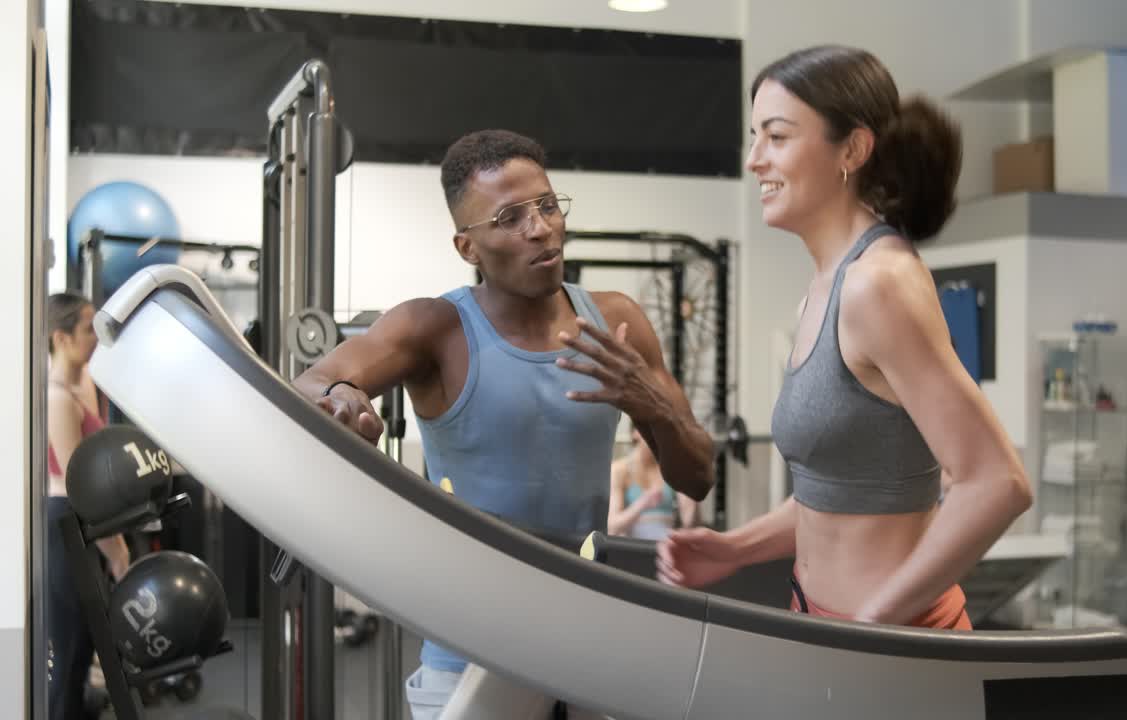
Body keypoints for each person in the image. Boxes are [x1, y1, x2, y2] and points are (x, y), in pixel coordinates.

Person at [293, 129, 715, 719]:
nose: (540, 228)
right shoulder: (434, 328)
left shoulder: (615, 321)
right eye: (510, 217)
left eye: (546, 205)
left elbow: (698, 475)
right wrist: (340, 397)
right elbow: (314, 382)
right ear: (467, 247)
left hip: (589, 653)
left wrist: (653, 406)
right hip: (469, 659)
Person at [657, 45, 1031, 631]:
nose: (755, 159)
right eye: (754, 136)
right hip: (824, 625)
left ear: (852, 151)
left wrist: (873, 626)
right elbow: (841, 495)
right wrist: (736, 548)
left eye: (777, 136)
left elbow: (996, 482)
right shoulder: (824, 288)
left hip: (894, 644)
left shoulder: (878, 284)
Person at [46, 292, 130, 719]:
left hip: (81, 527)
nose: (93, 338)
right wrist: (115, 550)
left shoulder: (82, 384)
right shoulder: (57, 398)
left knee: (80, 651)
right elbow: (80, 486)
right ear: (60, 338)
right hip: (66, 525)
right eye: (85, 330)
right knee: (70, 652)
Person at [608, 426, 700, 540]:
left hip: (665, 549)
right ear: (635, 432)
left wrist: (693, 500)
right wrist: (642, 504)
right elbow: (612, 527)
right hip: (631, 549)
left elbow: (690, 524)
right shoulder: (619, 470)